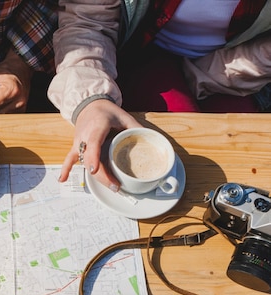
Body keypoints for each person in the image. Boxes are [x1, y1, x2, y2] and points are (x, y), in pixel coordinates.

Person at [48, 0, 271, 192]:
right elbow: (87, 23)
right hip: (127, 51)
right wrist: (90, 101)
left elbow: (263, 56)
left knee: (248, 171)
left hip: (232, 70)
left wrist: (197, 77)